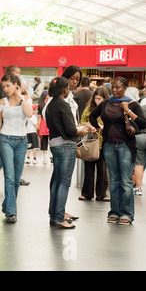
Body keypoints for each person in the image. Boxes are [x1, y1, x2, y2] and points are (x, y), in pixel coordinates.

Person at [90, 77, 146, 225]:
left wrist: (127, 110)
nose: (114, 90)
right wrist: (97, 128)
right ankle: (114, 212)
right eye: (113, 87)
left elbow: (143, 123)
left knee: (126, 181)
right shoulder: (105, 104)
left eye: (118, 87)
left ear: (125, 88)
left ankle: (127, 214)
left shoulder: (132, 104)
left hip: (126, 146)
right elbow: (92, 115)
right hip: (109, 146)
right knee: (114, 181)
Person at [46, 77, 94, 229]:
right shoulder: (63, 105)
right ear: (65, 89)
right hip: (66, 146)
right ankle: (59, 217)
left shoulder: (50, 105)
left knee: (56, 181)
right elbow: (71, 130)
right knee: (64, 183)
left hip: (54, 144)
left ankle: (54, 215)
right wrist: (83, 130)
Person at [0, 73, 33, 223]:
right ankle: (11, 212)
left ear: (16, 85)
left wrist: (21, 98)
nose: (6, 89)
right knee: (9, 177)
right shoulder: (2, 101)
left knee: (16, 179)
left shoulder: (26, 100)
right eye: (3, 87)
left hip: (22, 142)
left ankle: (7, 204)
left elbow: (29, 114)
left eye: (8, 86)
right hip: (6, 139)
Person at [79, 87, 110, 201]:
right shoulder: (88, 109)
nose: (98, 101)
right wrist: (89, 126)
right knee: (88, 168)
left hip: (104, 143)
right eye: (96, 98)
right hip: (91, 142)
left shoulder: (109, 109)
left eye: (100, 99)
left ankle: (102, 194)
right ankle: (87, 193)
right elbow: (82, 123)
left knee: (102, 170)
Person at [37, 90, 50, 164]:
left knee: (52, 141)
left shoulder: (50, 103)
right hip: (44, 124)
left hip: (49, 124)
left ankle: (51, 157)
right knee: (44, 142)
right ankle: (45, 158)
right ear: (46, 96)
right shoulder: (41, 105)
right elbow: (39, 116)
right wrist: (38, 125)